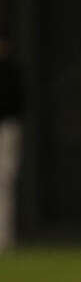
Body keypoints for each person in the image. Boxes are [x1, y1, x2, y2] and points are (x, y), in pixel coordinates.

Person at [0, 37, 22, 251]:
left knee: (4, 182)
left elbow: (19, 101)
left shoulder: (11, 70)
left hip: (6, 128)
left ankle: (4, 237)